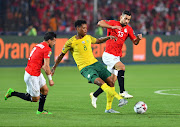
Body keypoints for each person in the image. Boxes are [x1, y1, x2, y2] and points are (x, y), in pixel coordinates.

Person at [51, 20, 128, 113]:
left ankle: (108, 108)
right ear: (78, 28)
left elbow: (98, 40)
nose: (85, 30)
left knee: (111, 82)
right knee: (101, 83)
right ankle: (120, 99)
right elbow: (61, 55)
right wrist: (54, 67)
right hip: (85, 68)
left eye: (86, 28)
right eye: (83, 28)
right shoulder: (71, 42)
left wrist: (108, 37)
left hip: (96, 64)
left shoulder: (88, 37)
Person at [90, 10, 142, 108]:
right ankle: (122, 91)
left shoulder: (129, 29)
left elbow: (135, 42)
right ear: (120, 17)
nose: (127, 21)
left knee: (111, 82)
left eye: (129, 20)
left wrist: (138, 38)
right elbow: (100, 23)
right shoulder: (113, 23)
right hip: (108, 55)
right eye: (125, 18)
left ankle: (94, 95)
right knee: (121, 67)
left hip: (116, 56)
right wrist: (112, 27)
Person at [4, 32, 56, 114]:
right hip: (32, 75)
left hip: (35, 72)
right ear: (49, 41)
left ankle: (40, 111)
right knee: (35, 99)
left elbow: (38, 62)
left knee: (45, 90)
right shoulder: (47, 49)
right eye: (54, 41)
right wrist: (50, 79)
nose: (55, 43)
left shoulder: (39, 45)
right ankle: (12, 93)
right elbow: (46, 66)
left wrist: (47, 70)